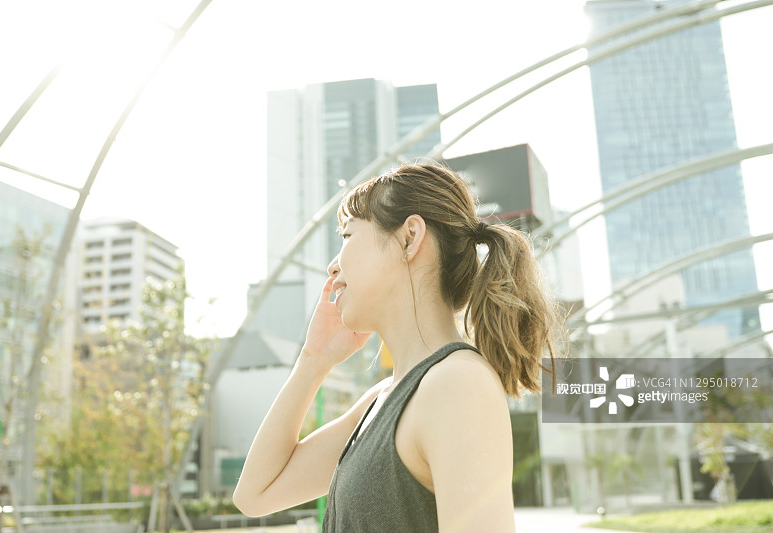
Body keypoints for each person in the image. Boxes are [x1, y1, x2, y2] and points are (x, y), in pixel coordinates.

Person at [233, 163, 563, 532]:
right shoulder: (382, 400)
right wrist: (313, 360)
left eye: (347, 236)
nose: (332, 267)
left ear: (409, 237)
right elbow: (255, 495)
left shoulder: (456, 384)